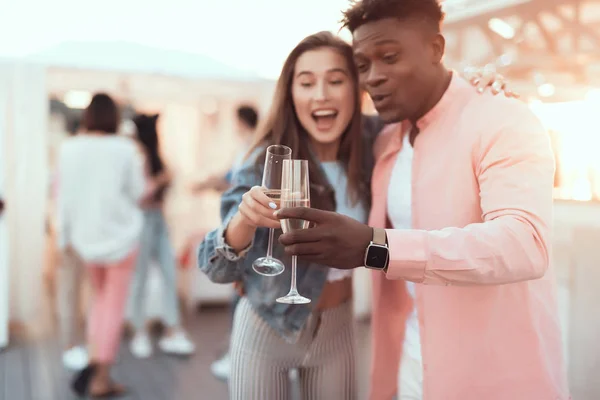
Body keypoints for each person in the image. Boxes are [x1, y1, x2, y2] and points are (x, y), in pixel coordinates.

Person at [275, 1, 570, 400]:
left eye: (390, 57)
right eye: (362, 65)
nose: (374, 78)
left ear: (435, 49)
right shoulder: (384, 141)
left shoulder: (502, 119)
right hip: (408, 367)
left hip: (492, 379)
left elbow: (525, 244)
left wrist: (373, 247)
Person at [197, 31, 510, 400]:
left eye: (336, 80)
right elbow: (215, 267)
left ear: (355, 88)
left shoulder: (378, 141)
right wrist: (243, 221)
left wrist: (477, 90)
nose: (321, 94)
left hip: (338, 326)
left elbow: (437, 116)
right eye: (306, 82)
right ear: (291, 93)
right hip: (267, 324)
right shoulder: (265, 160)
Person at [57, 93, 147, 397]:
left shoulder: (68, 149)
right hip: (121, 239)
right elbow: (138, 192)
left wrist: (63, 238)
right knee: (112, 307)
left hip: (86, 239)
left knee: (99, 302)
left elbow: (62, 197)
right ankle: (100, 377)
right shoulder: (126, 150)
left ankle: (96, 368)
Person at [127, 113, 196, 359]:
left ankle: (172, 329)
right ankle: (139, 331)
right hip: (143, 220)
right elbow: (137, 193)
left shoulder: (152, 155)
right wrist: (160, 181)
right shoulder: (137, 156)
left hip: (158, 220)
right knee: (140, 278)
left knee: (169, 272)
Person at [205, 105, 261, 380]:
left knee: (239, 292)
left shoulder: (256, 148)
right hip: (237, 226)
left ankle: (236, 354)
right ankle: (234, 351)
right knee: (238, 291)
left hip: (247, 229)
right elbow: (231, 178)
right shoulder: (246, 147)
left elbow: (242, 186)